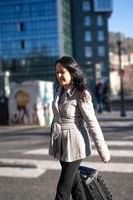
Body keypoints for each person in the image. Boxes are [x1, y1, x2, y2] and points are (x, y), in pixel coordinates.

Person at [49, 56, 111, 200]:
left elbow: (92, 123)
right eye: (57, 72)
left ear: (72, 72)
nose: (59, 75)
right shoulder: (59, 91)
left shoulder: (81, 94)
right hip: (61, 143)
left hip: (75, 144)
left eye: (62, 72)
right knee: (76, 187)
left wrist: (103, 150)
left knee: (62, 190)